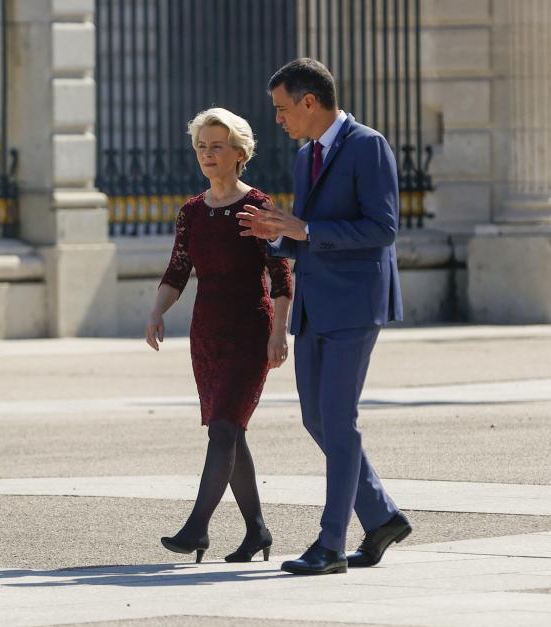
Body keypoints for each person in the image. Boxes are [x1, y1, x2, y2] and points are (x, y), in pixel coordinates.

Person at [238, 58, 411, 575]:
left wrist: (305, 230)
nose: (279, 119)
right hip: (314, 305)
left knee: (338, 420)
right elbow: (305, 232)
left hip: (356, 305)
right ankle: (381, 517)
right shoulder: (303, 156)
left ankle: (330, 544)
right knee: (317, 418)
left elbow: (382, 228)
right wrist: (277, 235)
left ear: (310, 102)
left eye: (283, 108)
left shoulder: (368, 145)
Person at [146, 108, 292, 564]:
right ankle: (257, 532)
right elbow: (177, 271)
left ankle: (197, 529)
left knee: (225, 428)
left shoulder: (258, 206)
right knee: (230, 433)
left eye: (217, 146)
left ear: (239, 152)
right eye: (201, 147)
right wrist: (156, 312)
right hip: (206, 334)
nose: (207, 155)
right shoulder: (192, 211)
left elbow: (281, 277)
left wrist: (278, 333)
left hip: (251, 330)